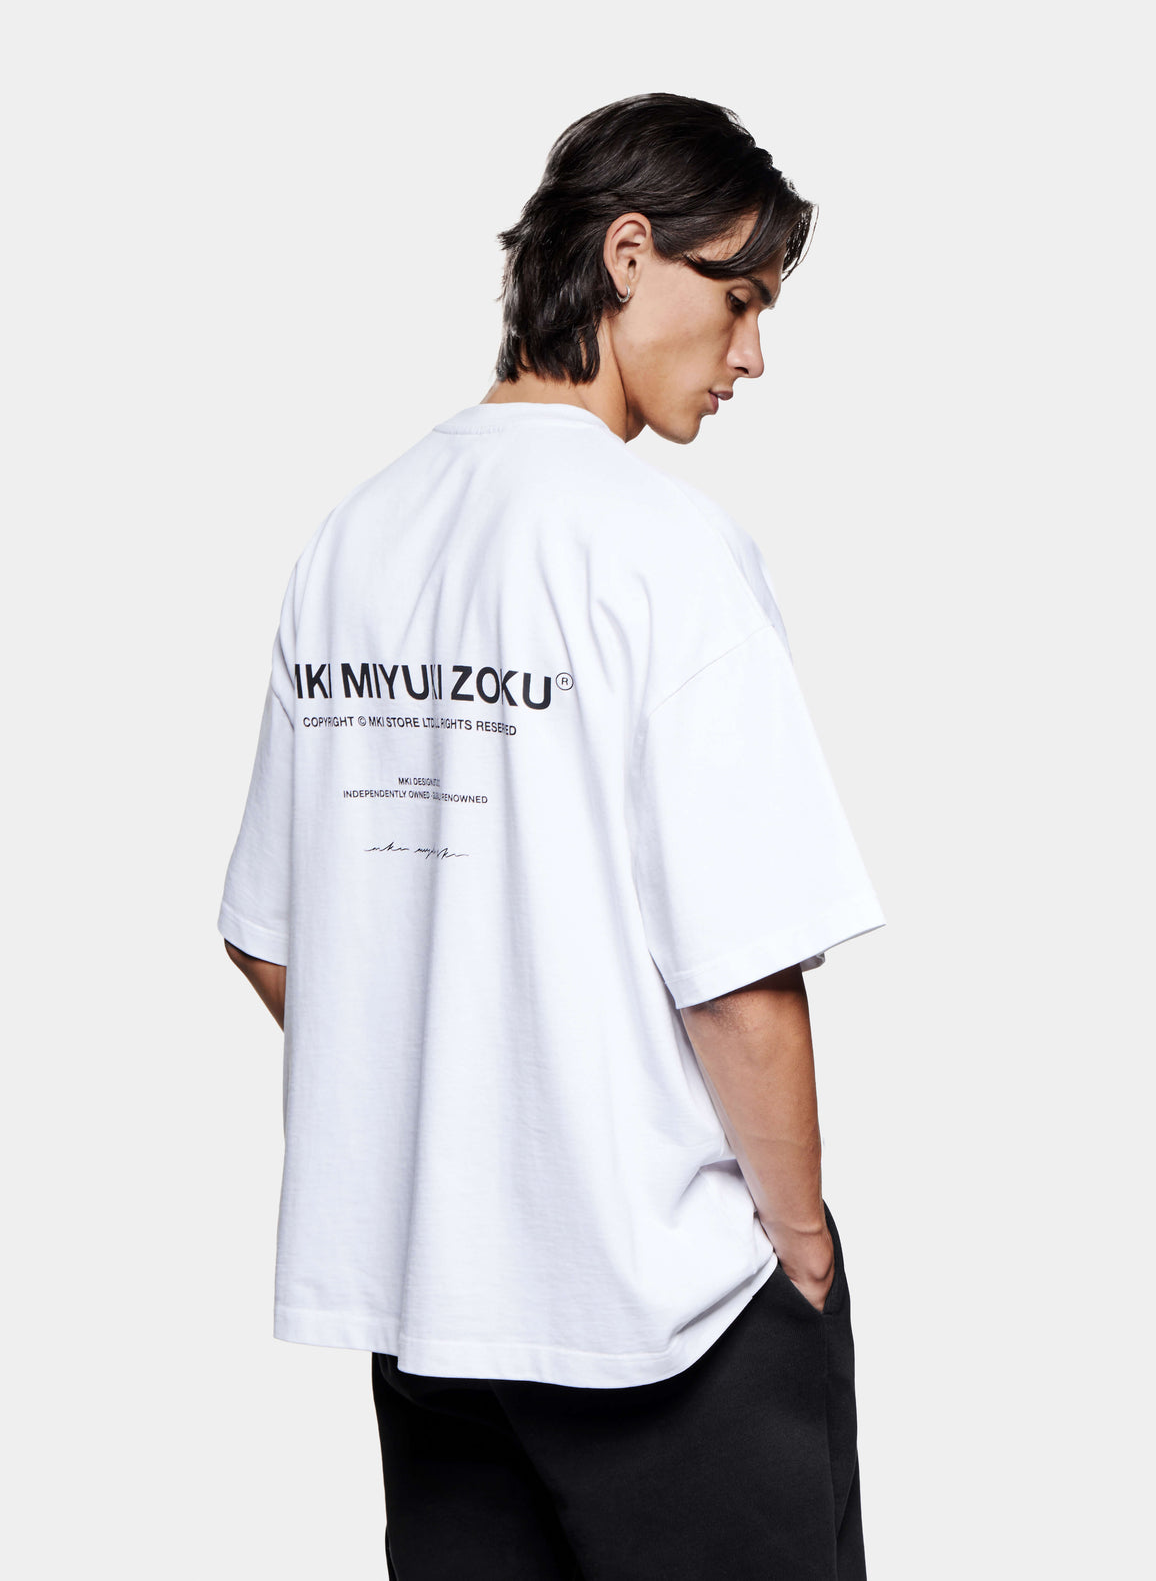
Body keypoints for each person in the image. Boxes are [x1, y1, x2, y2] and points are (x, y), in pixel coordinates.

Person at [219, 91, 885, 1580]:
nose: (754, 356)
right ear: (628, 254)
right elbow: (741, 982)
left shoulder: (356, 538)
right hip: (668, 1318)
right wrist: (803, 1249)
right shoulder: (663, 550)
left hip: (434, 1316)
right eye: (742, 299)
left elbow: (272, 941)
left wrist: (463, 1121)